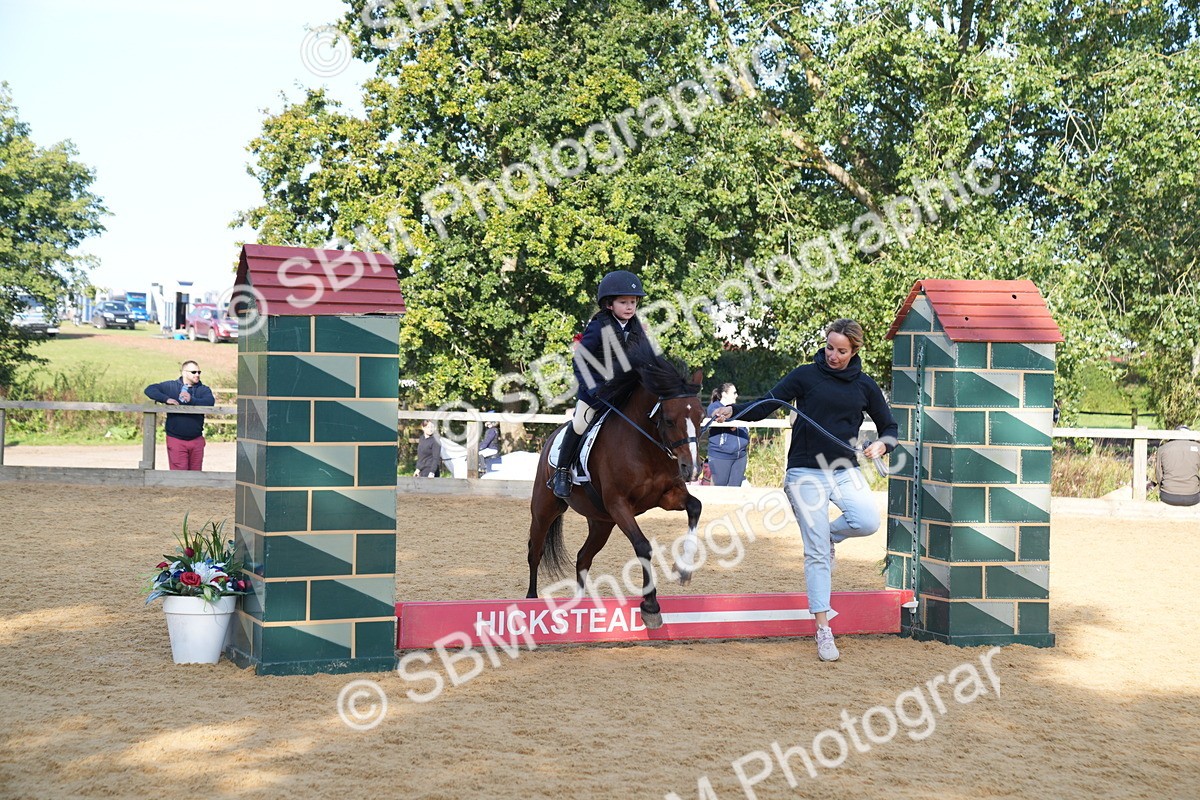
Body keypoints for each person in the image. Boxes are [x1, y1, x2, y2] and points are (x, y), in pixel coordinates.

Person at [710, 319, 897, 662]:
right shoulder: (805, 375)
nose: (833, 355)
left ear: (854, 351)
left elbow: (889, 427)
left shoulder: (865, 385)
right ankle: (823, 629)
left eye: (841, 351)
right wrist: (732, 411)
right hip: (804, 473)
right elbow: (767, 403)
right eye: (830, 348)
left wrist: (883, 445)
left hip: (844, 469)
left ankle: (828, 536)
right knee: (816, 553)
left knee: (867, 521)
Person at [552, 270, 656, 499]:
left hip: (625, 393)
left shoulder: (637, 328)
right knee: (580, 423)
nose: (629, 307)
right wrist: (593, 389)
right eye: (623, 302)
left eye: (633, 302)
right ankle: (562, 472)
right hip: (596, 392)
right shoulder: (598, 326)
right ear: (609, 304)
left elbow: (648, 359)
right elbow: (580, 360)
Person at [144, 360, 215, 471]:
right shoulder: (171, 386)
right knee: (179, 473)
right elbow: (150, 389)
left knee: (196, 474)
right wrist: (166, 399)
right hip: (176, 438)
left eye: (199, 372)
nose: (197, 375)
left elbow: (210, 402)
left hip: (196, 438)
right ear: (184, 372)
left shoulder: (203, 389)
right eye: (193, 372)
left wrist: (192, 400)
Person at [706, 383, 750, 486]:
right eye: (734, 393)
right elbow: (713, 413)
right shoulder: (715, 406)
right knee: (719, 489)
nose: (736, 395)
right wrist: (726, 419)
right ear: (724, 394)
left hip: (740, 456)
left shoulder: (736, 409)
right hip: (721, 455)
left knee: (735, 489)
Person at [1152, 427, 1200, 507]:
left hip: (1167, 496)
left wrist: (1162, 486)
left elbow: (1158, 474)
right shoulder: (1198, 447)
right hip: (1193, 497)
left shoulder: (1162, 448)